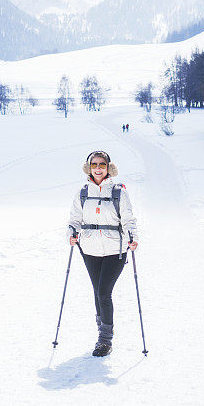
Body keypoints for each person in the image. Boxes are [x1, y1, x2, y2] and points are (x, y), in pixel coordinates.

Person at [68, 151, 139, 357]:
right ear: (88, 167)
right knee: (97, 291)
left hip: (115, 250)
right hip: (89, 249)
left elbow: (128, 219)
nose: (98, 168)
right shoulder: (82, 192)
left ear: (108, 167)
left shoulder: (118, 192)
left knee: (103, 292)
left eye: (102, 164)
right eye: (94, 164)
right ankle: (104, 326)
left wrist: (132, 237)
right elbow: (74, 219)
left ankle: (105, 340)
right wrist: (72, 233)